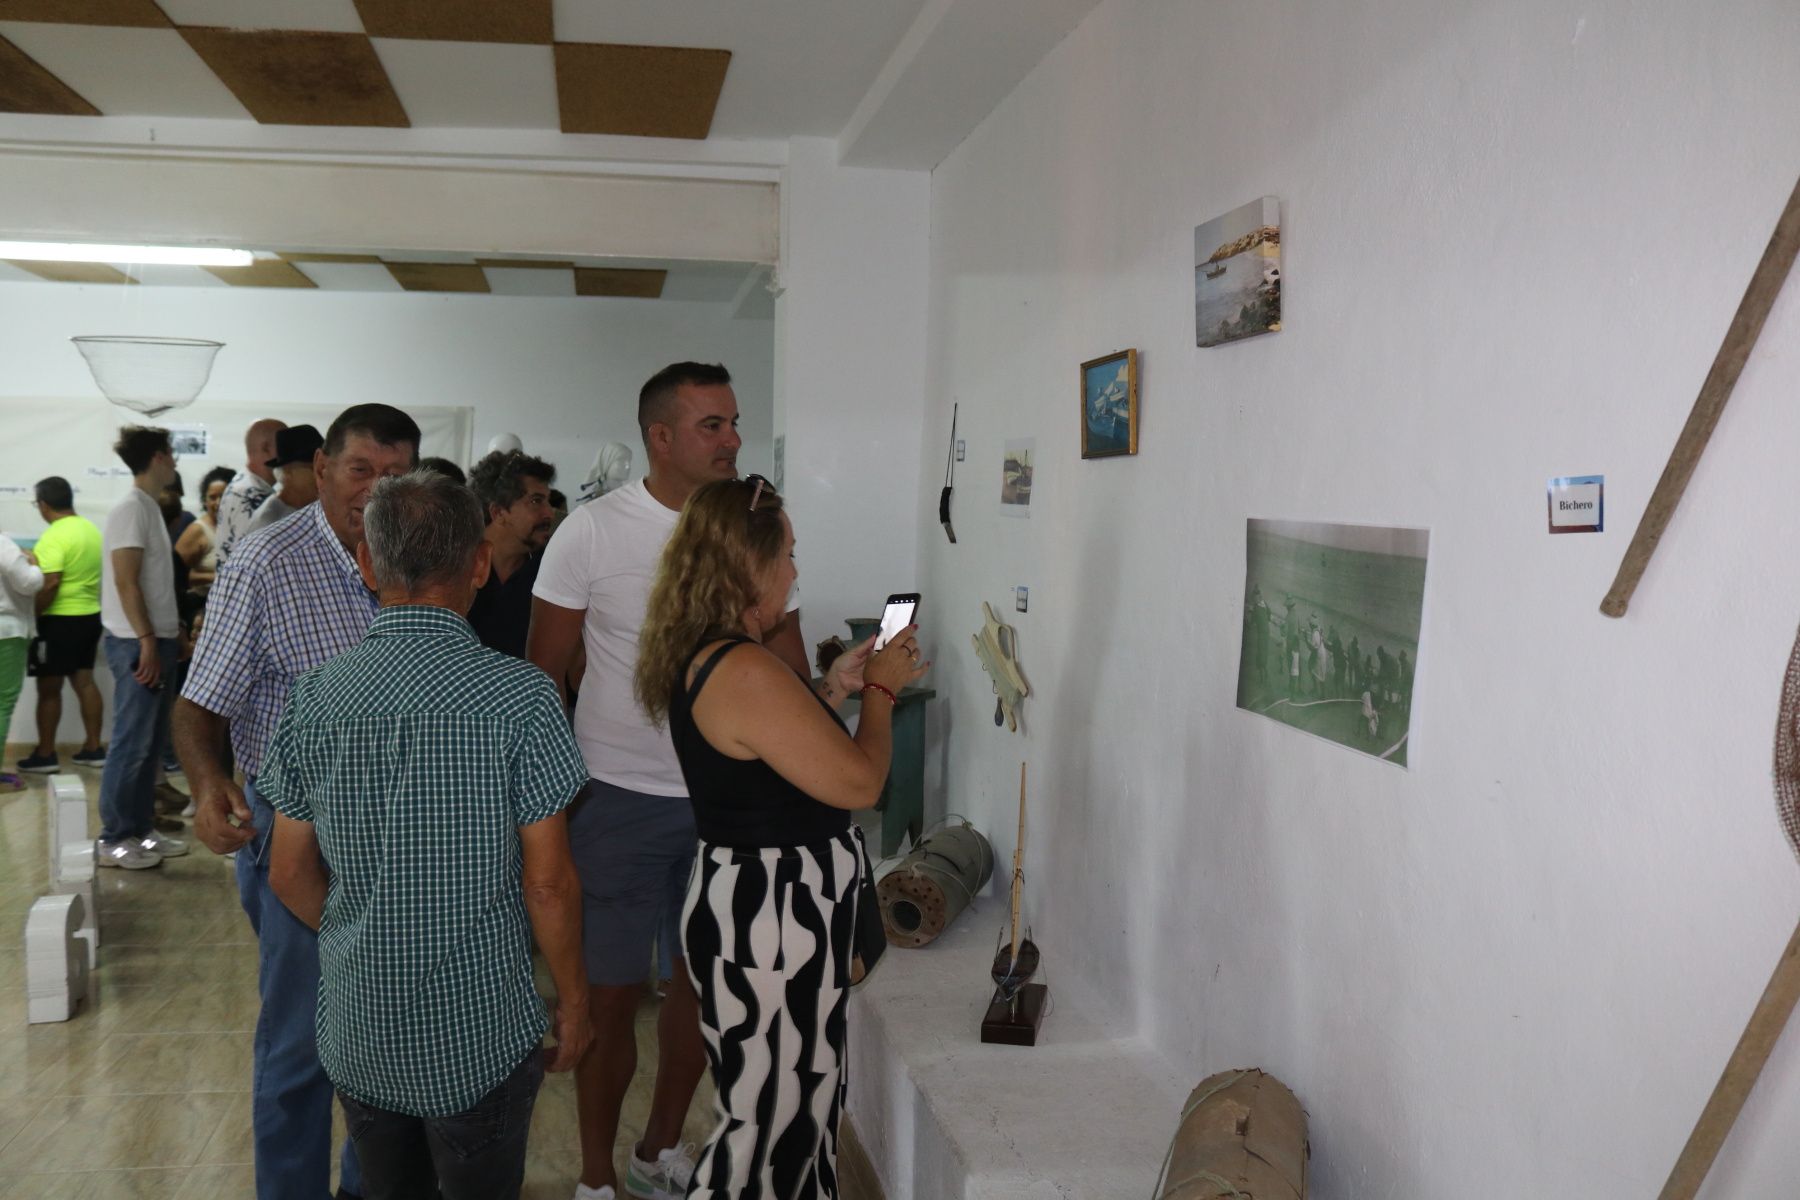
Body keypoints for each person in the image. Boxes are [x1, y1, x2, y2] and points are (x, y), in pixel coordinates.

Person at [530, 362, 857, 1200]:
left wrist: (838, 696)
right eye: (713, 424)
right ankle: (596, 1178)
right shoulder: (592, 533)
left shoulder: (750, 530)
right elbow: (544, 673)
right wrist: (550, 811)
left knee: (703, 997)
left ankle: (658, 1152)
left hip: (726, 814)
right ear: (661, 437)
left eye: (735, 422)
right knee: (609, 1001)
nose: (734, 439)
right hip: (615, 800)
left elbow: (781, 673)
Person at [264, 472, 591, 1200]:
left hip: (361, 1021)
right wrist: (574, 999)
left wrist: (370, 931)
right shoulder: (523, 697)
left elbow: (287, 872)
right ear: (479, 563)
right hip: (480, 1028)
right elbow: (547, 882)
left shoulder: (315, 697)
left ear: (367, 565)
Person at [635, 476, 929, 1198]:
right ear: (750, 564)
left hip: (762, 906)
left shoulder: (721, 655)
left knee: (786, 1108)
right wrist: (886, 695)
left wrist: (833, 689)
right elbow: (861, 784)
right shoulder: (743, 667)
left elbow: (768, 757)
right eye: (789, 554)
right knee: (772, 1125)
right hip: (774, 914)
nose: (796, 571)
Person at [174, 403, 421, 1200]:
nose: (379, 493)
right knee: (302, 1045)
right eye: (362, 473)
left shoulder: (422, 558)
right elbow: (199, 703)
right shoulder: (267, 562)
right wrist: (211, 785)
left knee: (383, 1040)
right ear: (322, 473)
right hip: (297, 839)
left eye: (396, 476)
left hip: (400, 832)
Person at [95, 426, 188, 869]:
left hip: (157, 638)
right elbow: (125, 581)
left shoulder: (148, 506)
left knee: (150, 747)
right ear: (156, 457)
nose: (175, 462)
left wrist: (172, 630)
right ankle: (114, 838)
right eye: (171, 453)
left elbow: (153, 584)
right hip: (136, 642)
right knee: (131, 745)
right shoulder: (130, 509)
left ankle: (141, 831)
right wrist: (148, 640)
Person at [19, 475, 106, 774]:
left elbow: (51, 582)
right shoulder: (90, 530)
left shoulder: (55, 535)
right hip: (89, 615)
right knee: (85, 681)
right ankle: (94, 748)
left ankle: (45, 754)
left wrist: (35, 616)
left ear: (43, 504)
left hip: (58, 619)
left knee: (49, 688)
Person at [467, 450, 556, 657]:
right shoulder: (455, 568)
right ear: (498, 512)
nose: (549, 513)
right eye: (536, 501)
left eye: (547, 501)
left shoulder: (551, 567)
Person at [0, 532, 45, 792]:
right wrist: (35, 564)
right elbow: (28, 583)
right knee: (3, 703)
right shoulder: (3, 544)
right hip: (7, 632)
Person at [215, 418, 287, 563]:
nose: (290, 452)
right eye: (285, 443)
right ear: (266, 448)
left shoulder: (242, 483)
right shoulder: (254, 494)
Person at [245, 425, 325, 536]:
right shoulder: (269, 522)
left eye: (325, 468)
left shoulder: (311, 508)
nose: (323, 476)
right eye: (313, 469)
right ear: (288, 472)